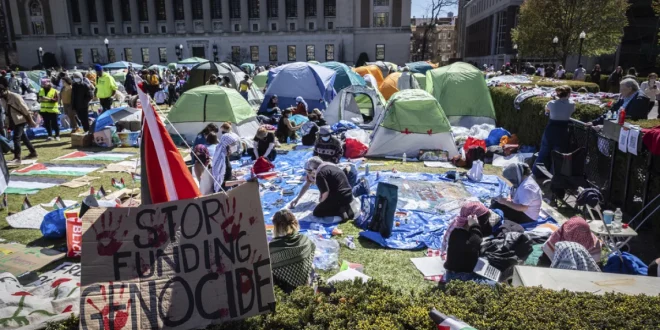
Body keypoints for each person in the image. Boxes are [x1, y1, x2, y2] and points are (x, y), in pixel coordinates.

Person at [442, 202, 497, 286]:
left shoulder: (461, 230)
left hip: (462, 273)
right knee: (495, 284)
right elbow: (475, 243)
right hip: (459, 277)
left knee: (493, 272)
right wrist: (475, 225)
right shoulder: (458, 235)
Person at [290, 156, 355, 219]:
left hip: (339, 196)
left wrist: (321, 201)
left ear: (314, 169)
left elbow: (325, 192)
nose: (309, 174)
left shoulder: (320, 174)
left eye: (309, 172)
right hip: (348, 194)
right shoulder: (330, 166)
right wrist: (297, 199)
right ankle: (345, 206)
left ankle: (340, 210)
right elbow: (307, 185)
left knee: (317, 212)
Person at [268, 209, 316, 293]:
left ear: (276, 227)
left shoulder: (273, 246)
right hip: (307, 282)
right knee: (312, 266)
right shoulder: (304, 239)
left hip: (289, 289)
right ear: (295, 222)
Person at [532, 86, 575, 177]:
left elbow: (547, 110)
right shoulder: (572, 104)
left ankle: (537, 172)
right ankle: (554, 177)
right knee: (558, 157)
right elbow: (570, 111)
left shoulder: (551, 103)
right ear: (568, 94)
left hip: (550, 130)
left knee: (543, 152)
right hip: (562, 132)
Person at [0, 79, 38, 164]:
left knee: (16, 138)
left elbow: (25, 109)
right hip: (12, 120)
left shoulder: (15, 96)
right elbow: (6, 112)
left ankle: (17, 157)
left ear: (4, 90)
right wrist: (6, 123)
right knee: (23, 137)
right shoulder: (2, 99)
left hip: (20, 119)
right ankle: (33, 152)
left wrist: (31, 121)